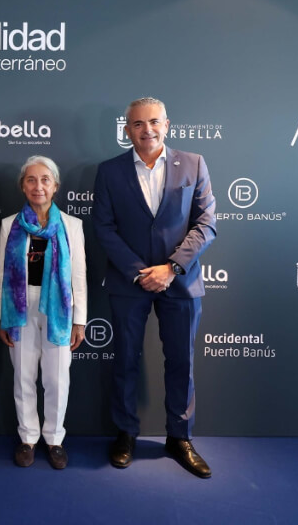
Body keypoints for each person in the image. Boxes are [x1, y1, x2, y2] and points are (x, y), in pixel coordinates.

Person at [92, 97, 217, 478]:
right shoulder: (109, 171)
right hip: (128, 282)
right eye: (138, 124)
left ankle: (179, 437)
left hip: (180, 282)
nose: (146, 130)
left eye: (153, 122)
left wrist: (172, 268)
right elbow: (104, 228)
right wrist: (139, 272)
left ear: (167, 125)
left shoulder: (194, 164)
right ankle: (126, 434)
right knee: (125, 361)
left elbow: (205, 224)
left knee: (181, 361)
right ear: (127, 129)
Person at [0, 155, 86, 470]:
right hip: (19, 307)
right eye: (31, 180)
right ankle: (28, 438)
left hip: (58, 308)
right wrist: (1, 317)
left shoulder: (72, 226)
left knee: (57, 378)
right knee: (23, 376)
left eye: (45, 180)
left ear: (55, 186)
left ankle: (54, 439)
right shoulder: (9, 225)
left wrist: (79, 320)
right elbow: (1, 273)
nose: (38, 186)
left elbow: (78, 276)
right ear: (23, 186)